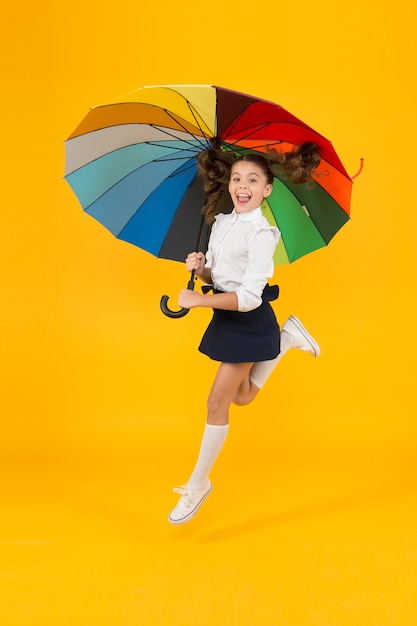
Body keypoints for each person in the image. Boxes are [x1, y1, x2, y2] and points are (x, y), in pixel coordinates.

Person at [168, 143, 322, 525]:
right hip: (228, 318)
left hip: (248, 320)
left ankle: (198, 484)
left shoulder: (263, 233)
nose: (242, 185)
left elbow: (250, 297)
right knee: (241, 398)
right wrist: (202, 269)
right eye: (237, 178)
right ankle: (287, 339)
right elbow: (220, 279)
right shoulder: (221, 222)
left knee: (217, 403)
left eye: (253, 180)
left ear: (267, 189)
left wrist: (198, 302)